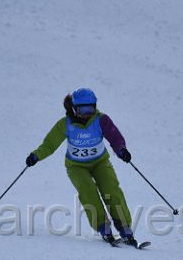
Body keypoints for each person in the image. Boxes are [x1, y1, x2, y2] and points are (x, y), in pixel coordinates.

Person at [26, 88, 138, 246]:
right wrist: (36, 155)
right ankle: (103, 226)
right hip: (76, 166)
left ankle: (124, 227)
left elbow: (114, 137)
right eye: (82, 110)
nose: (87, 114)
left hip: (100, 163)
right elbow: (50, 144)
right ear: (74, 109)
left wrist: (121, 150)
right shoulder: (65, 124)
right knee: (88, 191)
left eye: (90, 109)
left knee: (111, 190)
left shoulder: (101, 120)